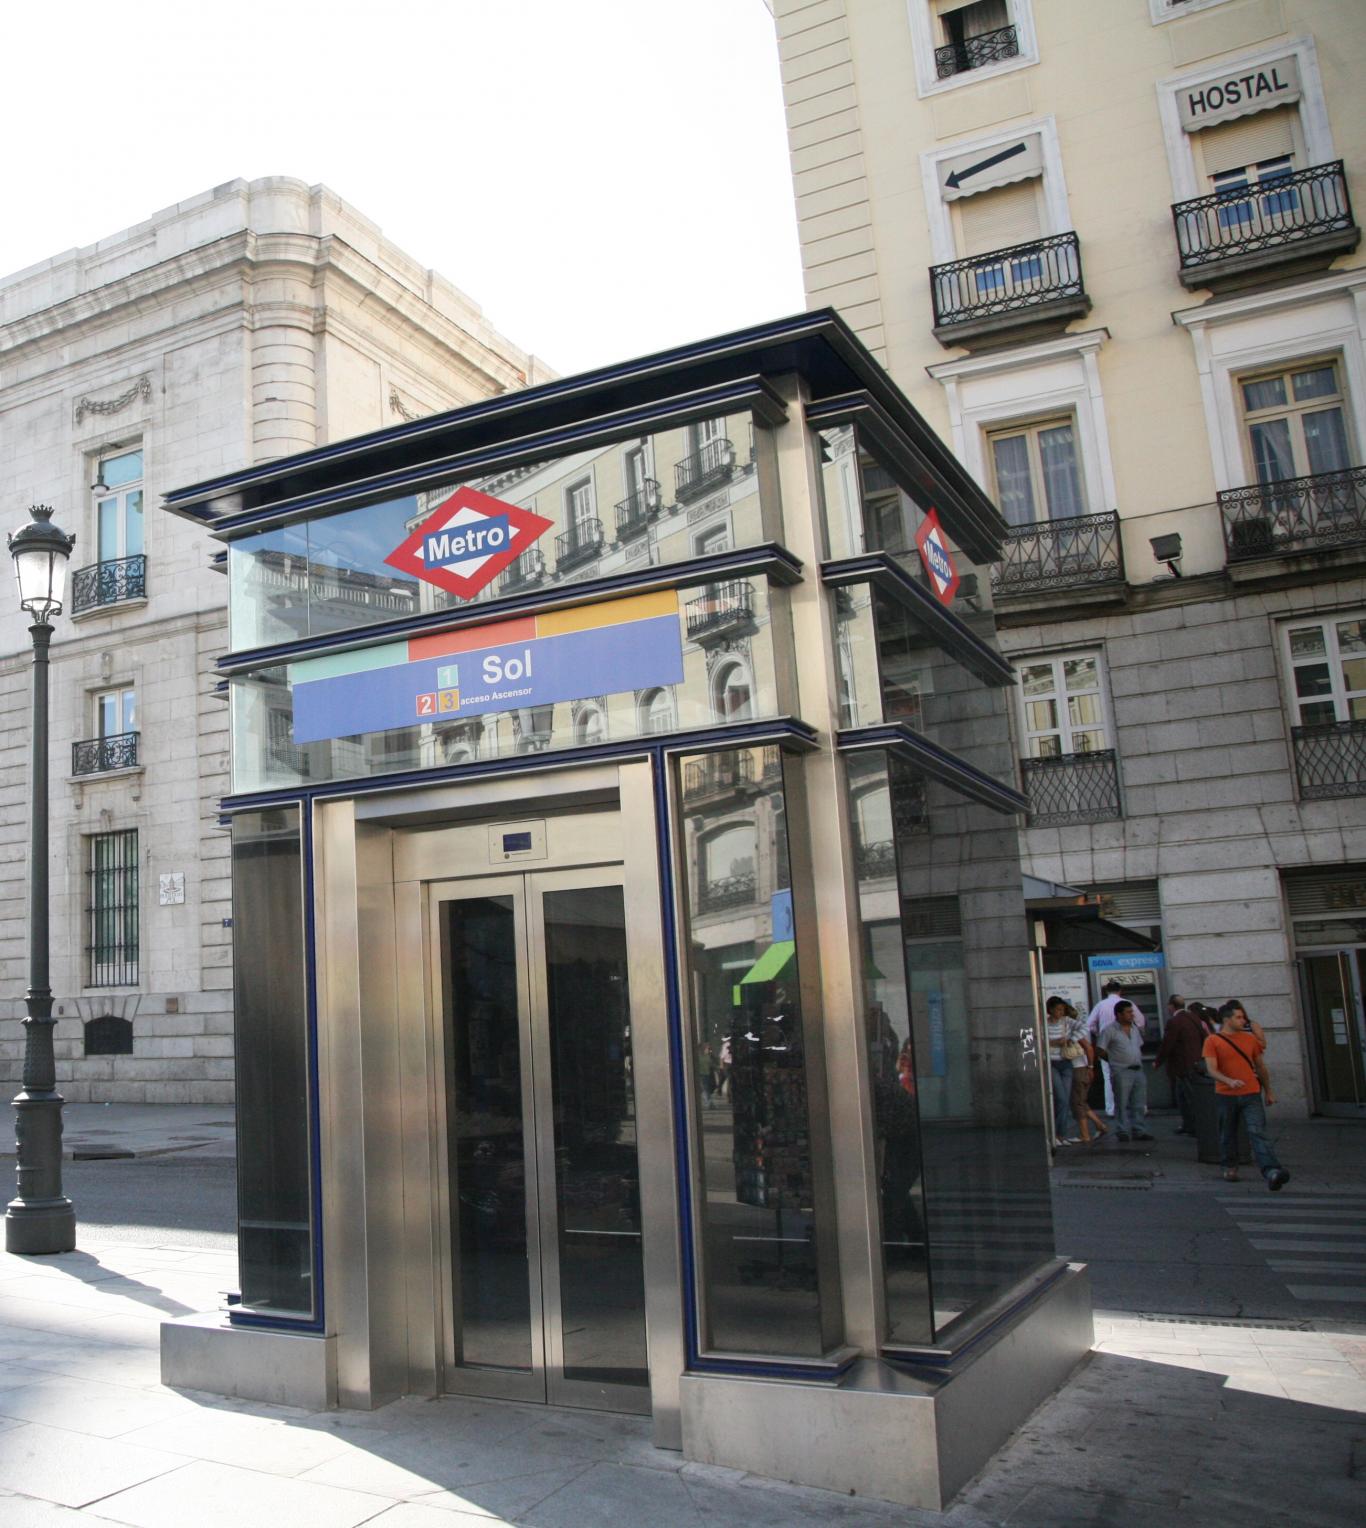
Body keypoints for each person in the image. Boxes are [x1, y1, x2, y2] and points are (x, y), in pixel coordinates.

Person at [1203, 1000, 1290, 1191]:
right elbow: (1211, 1069)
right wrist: (1228, 1081)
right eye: (1239, 1017)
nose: (1243, 1020)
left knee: (1257, 1131)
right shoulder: (1212, 1041)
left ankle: (1271, 1171)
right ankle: (1230, 1166)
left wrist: (1268, 1091)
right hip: (1226, 1094)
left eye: (1243, 1017)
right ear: (1227, 1020)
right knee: (1228, 1132)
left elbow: (1260, 1066)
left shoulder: (1250, 1039)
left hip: (1251, 1092)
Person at [1152, 994, 1213, 1136]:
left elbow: (1168, 1043)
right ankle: (1189, 1125)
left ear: (1172, 1006)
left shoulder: (1174, 1021)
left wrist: (1158, 1061)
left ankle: (1194, 1126)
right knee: (1184, 1097)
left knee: (1188, 1098)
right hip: (1195, 1063)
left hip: (1182, 1066)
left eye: (1168, 1005)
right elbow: (1205, 1038)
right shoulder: (1194, 1018)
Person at [1086, 981, 1147, 1115]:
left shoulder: (1100, 1005)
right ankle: (1140, 1108)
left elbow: (1089, 1024)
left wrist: (1099, 1033)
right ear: (1120, 990)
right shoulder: (1128, 1003)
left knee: (1109, 1077)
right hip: (1127, 1044)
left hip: (1107, 1045)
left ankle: (1112, 1109)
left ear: (1106, 991)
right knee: (1135, 1075)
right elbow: (1141, 1021)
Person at [1096, 1000, 1153, 1143]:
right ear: (1119, 1014)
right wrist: (1113, 1060)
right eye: (1128, 1012)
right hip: (1121, 1070)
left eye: (1131, 1012)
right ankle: (1122, 1130)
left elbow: (1138, 1045)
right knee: (1121, 1102)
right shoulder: (1109, 1030)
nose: (1131, 1015)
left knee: (1139, 1103)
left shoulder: (1134, 1029)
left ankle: (1139, 1130)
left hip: (1137, 1069)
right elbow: (1100, 1049)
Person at [1068, 1011, 1108, 1145]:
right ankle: (1099, 1125)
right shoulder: (1079, 1031)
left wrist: (1091, 1067)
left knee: (1077, 1102)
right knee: (1081, 1101)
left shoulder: (1073, 1032)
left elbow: (1089, 1048)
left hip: (1078, 1068)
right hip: (1082, 1068)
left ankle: (1085, 1134)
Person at [1044, 996, 1080, 1145]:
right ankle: (1056, 1134)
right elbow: (1039, 1040)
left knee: (1064, 1100)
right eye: (1058, 1009)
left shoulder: (1066, 1021)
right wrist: (1053, 1042)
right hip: (1052, 1063)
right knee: (1061, 1098)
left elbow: (1084, 1026)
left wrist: (1072, 1039)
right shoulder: (1044, 1023)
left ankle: (1061, 1135)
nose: (1060, 1012)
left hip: (1065, 1062)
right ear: (1050, 1010)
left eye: (1062, 1010)